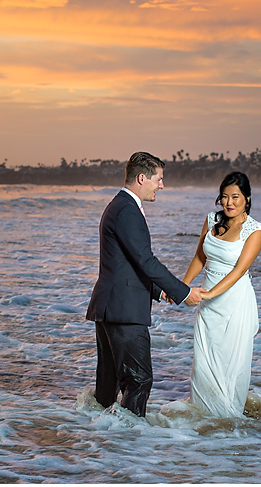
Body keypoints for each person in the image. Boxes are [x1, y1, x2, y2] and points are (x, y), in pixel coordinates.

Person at [86, 152, 204, 417]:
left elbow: (128, 263)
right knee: (139, 380)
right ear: (142, 178)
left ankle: (99, 443)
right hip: (124, 311)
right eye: (159, 179)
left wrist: (160, 292)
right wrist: (183, 293)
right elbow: (145, 260)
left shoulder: (119, 206)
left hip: (112, 307)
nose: (161, 185)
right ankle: (131, 448)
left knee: (108, 388)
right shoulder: (127, 210)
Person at [180, 171, 261, 417]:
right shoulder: (211, 220)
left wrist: (208, 295)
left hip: (234, 303)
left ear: (247, 198)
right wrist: (181, 286)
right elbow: (200, 258)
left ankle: (228, 422)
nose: (229, 203)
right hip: (208, 304)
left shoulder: (255, 230)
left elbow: (239, 271)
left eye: (235, 197)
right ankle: (204, 419)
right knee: (204, 363)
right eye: (225, 197)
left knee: (230, 364)